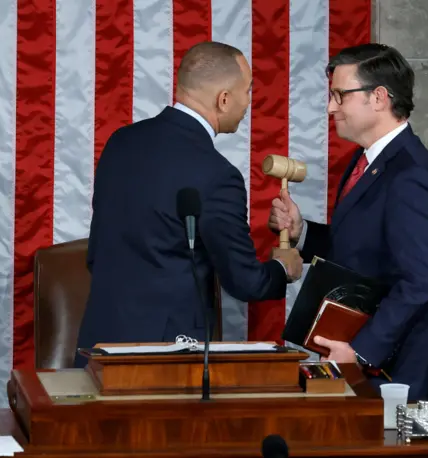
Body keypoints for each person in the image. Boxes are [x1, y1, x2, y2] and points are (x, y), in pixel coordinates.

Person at [75, 41, 303, 367]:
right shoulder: (217, 175)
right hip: (164, 360)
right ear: (223, 99)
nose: (249, 101)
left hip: (97, 344)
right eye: (248, 91)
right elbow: (244, 282)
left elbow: (97, 252)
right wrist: (284, 267)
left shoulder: (121, 142)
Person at [268, 43, 428, 401]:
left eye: (340, 95)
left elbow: (417, 282)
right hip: (357, 361)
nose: (330, 106)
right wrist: (302, 232)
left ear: (379, 97)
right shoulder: (362, 162)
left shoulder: (412, 175)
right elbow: (360, 249)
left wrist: (361, 351)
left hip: (393, 371)